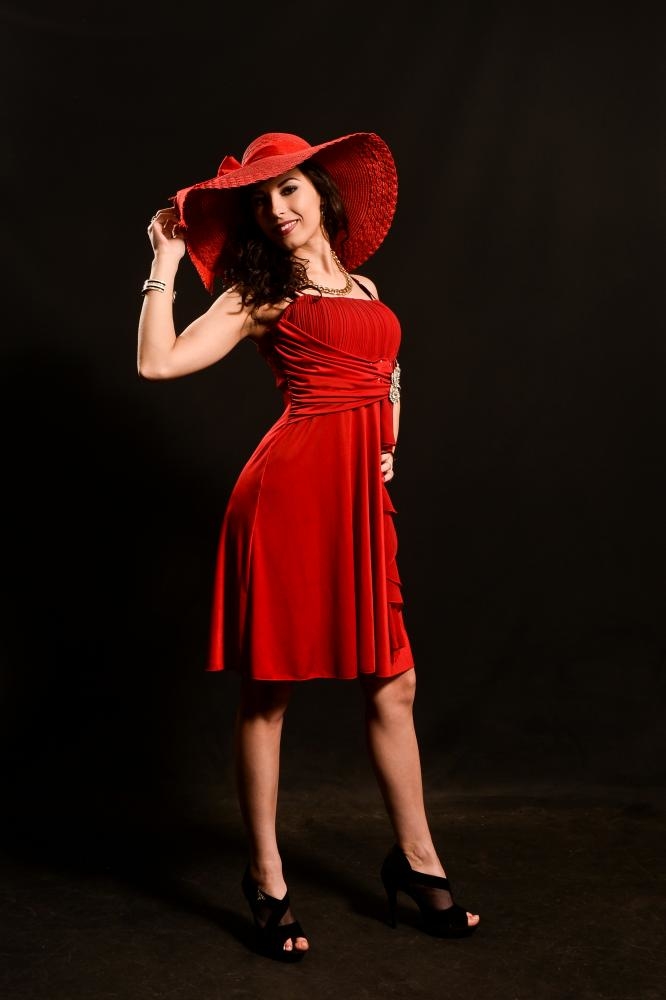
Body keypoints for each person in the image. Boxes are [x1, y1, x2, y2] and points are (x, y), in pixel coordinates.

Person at [137, 130, 480, 962]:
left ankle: (419, 862)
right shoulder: (260, 290)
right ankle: (266, 878)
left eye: (288, 189)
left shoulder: (365, 286)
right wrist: (164, 266)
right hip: (286, 499)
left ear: (322, 195)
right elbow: (158, 364)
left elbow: (385, 370)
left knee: (394, 683)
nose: (277, 208)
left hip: (358, 501)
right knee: (270, 694)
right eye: (262, 199)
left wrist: (387, 438)